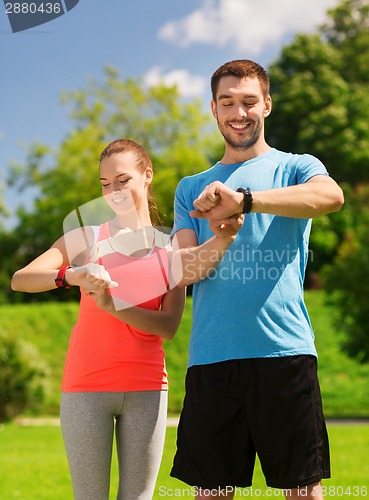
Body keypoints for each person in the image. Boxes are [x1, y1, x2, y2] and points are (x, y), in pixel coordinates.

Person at [170, 60, 344, 499]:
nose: (238, 112)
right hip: (212, 359)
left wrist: (244, 201)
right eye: (227, 102)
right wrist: (222, 237)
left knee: (302, 492)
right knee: (213, 493)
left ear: (266, 104)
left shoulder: (296, 166)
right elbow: (185, 269)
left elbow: (331, 196)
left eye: (249, 101)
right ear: (213, 109)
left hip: (283, 352)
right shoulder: (192, 188)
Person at [11, 138, 188, 500]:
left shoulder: (171, 250)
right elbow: (21, 279)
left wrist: (113, 305)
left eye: (123, 180)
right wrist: (69, 275)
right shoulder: (86, 238)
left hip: (147, 388)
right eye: (105, 184)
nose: (114, 191)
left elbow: (169, 325)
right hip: (85, 389)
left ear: (147, 176)